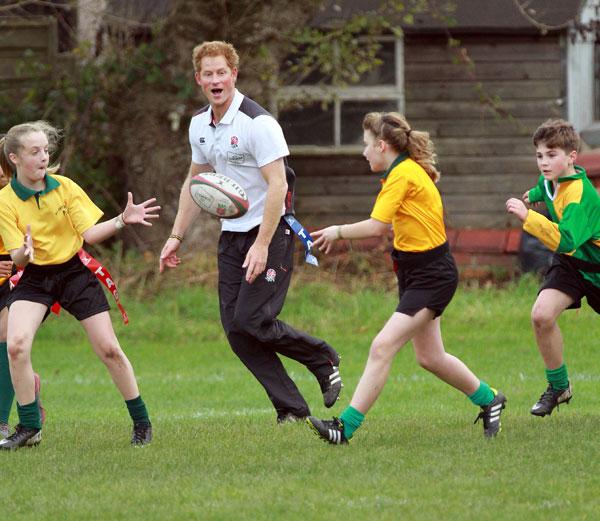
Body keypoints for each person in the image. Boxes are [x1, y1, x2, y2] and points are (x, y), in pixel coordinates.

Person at [159, 40, 342, 423]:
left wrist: (261, 245)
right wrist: (175, 237)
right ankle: (291, 408)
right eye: (207, 74)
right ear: (198, 79)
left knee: (252, 319)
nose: (215, 80)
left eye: (221, 72)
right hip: (232, 236)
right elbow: (196, 183)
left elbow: (279, 186)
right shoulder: (199, 126)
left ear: (234, 74)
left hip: (271, 232)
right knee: (237, 331)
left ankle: (321, 357)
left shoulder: (258, 123)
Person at [306, 112, 506, 444]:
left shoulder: (402, 175)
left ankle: (344, 428)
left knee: (382, 346)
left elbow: (376, 227)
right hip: (419, 273)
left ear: (382, 146)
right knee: (430, 357)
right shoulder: (402, 172)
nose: (364, 152)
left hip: (432, 276)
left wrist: (336, 231)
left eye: (367, 145)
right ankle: (490, 399)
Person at [0, 121, 159, 450]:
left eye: (46, 150)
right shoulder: (4, 201)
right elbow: (17, 256)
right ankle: (28, 425)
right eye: (34, 152)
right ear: (14, 158)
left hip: (74, 273)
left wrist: (120, 220)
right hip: (35, 278)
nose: (44, 157)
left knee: (109, 349)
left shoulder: (65, 188)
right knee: (16, 345)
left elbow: (89, 235)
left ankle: (142, 422)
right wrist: (24, 254)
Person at [506, 118, 600, 417]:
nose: (544, 163)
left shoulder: (580, 196)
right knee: (541, 316)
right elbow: (543, 189)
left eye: (552, 155)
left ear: (572, 156)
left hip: (594, 266)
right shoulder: (550, 181)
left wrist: (527, 217)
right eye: (539, 155)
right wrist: (532, 197)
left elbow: (566, 239)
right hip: (571, 265)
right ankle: (559, 388)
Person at [0, 155, 45, 439]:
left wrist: (19, 261)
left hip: (15, 284)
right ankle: (32, 393)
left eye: (6, 174)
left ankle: (3, 421)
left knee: (7, 339)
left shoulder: (23, 201)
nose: (3, 179)